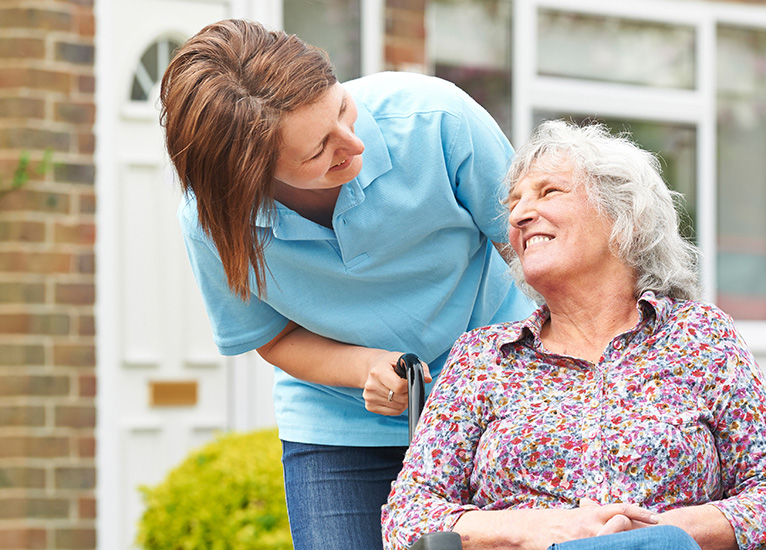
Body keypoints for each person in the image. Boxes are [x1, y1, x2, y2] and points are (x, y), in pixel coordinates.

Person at [158, 19, 535, 549]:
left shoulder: (437, 120)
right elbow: (274, 338)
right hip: (340, 429)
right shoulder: (212, 221)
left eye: (341, 108)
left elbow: (534, 250)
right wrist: (365, 369)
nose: (353, 143)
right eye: (317, 152)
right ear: (249, 177)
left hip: (499, 401)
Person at [381, 120, 766, 550]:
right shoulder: (483, 357)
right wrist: (546, 530)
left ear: (623, 213)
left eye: (549, 191)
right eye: (514, 203)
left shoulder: (700, 337)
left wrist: (653, 533)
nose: (518, 214)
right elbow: (408, 514)